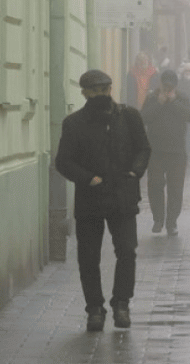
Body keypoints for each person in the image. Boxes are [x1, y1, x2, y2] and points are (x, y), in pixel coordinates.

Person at [55, 69, 151, 332]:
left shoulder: (129, 117)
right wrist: (88, 178)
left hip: (122, 196)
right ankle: (95, 309)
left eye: (104, 89)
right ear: (84, 93)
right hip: (90, 198)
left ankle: (122, 303)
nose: (101, 94)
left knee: (127, 251)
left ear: (111, 89)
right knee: (88, 257)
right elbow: (63, 161)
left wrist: (135, 172)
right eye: (94, 91)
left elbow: (144, 148)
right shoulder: (74, 123)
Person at [141, 69, 190, 237]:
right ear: (160, 84)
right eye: (165, 85)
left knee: (176, 189)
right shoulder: (152, 98)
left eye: (170, 86)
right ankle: (158, 219)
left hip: (177, 152)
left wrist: (173, 102)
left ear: (175, 86)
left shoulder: (182, 98)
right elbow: (143, 118)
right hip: (155, 151)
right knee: (155, 186)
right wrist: (159, 103)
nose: (167, 89)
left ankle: (171, 222)